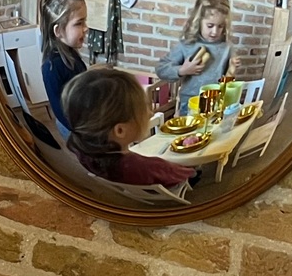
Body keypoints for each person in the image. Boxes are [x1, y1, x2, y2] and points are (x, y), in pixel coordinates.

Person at [64, 67, 195, 190]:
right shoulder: (146, 168)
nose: (150, 114)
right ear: (120, 130)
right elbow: (188, 175)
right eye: (144, 109)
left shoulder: (81, 154)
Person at [156, 0, 233, 107]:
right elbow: (161, 69)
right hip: (189, 103)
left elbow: (227, 79)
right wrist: (182, 70)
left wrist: (232, 67)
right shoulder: (187, 44)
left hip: (215, 103)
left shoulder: (226, 47)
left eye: (220, 26)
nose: (214, 32)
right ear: (199, 20)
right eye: (210, 26)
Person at [38, 0, 89, 135]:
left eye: (85, 21)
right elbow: (60, 111)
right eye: (79, 23)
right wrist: (84, 132)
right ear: (58, 31)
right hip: (75, 130)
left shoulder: (70, 53)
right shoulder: (52, 67)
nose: (86, 28)